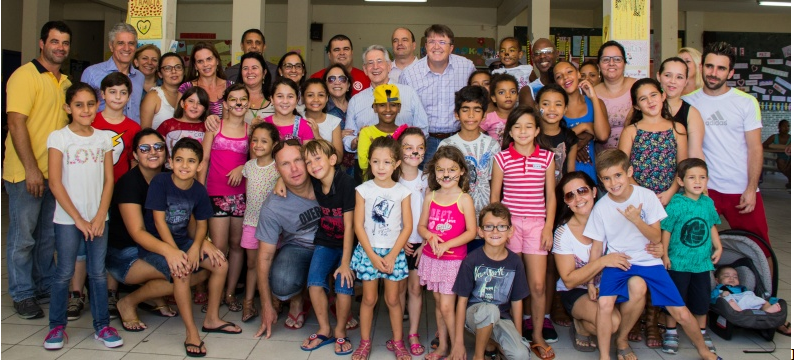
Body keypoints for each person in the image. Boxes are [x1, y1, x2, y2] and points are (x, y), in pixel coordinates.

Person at [585, 149, 719, 361]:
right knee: (604, 304)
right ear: (601, 180)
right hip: (619, 261)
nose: (613, 183)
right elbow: (596, 247)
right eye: (607, 179)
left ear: (629, 171)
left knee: (681, 312)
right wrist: (592, 280)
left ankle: (703, 350)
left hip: (649, 261)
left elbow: (656, 237)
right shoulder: (601, 207)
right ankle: (604, 356)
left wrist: (637, 220)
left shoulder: (646, 196)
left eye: (618, 175)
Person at [144, 138, 241, 357]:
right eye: (179, 160)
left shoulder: (198, 190)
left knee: (220, 264)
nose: (184, 166)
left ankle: (212, 318)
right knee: (182, 271)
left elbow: (202, 223)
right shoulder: (160, 182)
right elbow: (159, 222)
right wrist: (174, 252)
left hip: (183, 240)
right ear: (170, 161)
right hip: (158, 242)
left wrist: (197, 246)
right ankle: (191, 332)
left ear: (199, 166)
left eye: (190, 161)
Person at [44, 82, 120, 350]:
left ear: (98, 105)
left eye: (90, 104)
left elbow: (109, 181)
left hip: (99, 218)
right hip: (68, 220)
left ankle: (102, 326)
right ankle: (56, 327)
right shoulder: (59, 138)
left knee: (98, 272)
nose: (85, 110)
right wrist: (78, 219)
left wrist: (100, 216)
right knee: (64, 271)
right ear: (68, 108)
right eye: (78, 105)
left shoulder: (103, 138)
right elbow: (55, 182)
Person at [5, 21, 72, 319]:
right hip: (25, 173)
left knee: (47, 237)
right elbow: (16, 123)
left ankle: (43, 284)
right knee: (24, 237)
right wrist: (32, 170)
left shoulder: (66, 83)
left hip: (53, 174)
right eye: (55, 41)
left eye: (65, 43)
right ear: (42, 43)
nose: (60, 47)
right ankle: (22, 293)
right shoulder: (24, 76)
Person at [683, 41, 771, 263]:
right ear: (701, 66)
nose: (713, 73)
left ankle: (767, 296)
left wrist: (751, 188)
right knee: (695, 247)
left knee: (761, 249)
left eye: (721, 68)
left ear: (730, 72)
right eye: (710, 66)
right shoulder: (687, 102)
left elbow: (755, 148)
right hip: (703, 189)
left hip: (740, 189)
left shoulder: (746, 103)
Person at [109, 129, 197, 332]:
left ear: (166, 153)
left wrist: (203, 244)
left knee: (206, 265)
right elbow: (137, 232)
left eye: (158, 147)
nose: (153, 152)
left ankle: (152, 293)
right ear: (135, 155)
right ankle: (128, 302)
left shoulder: (171, 177)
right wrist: (170, 252)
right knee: (182, 271)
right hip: (125, 254)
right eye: (144, 148)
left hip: (155, 249)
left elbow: (188, 216)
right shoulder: (128, 183)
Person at [490, 106, 557, 358]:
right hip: (510, 226)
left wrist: (548, 226)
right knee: (510, 284)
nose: (523, 131)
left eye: (529, 126)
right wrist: (501, 229)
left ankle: (537, 335)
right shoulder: (501, 158)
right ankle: (515, 335)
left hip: (537, 225)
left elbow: (551, 196)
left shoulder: (547, 158)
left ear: (537, 130)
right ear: (510, 131)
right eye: (517, 127)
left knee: (537, 285)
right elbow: (495, 198)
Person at [350, 136, 412, 360]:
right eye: (375, 162)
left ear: (396, 164)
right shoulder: (363, 189)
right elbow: (358, 225)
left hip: (393, 253)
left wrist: (393, 255)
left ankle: (398, 342)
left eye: (387, 162)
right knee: (368, 299)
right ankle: (365, 343)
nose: (381, 167)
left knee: (394, 300)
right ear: (369, 162)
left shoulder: (402, 192)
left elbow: (407, 227)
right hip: (369, 252)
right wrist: (372, 256)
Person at [254, 139, 321, 338]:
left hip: (333, 244)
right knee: (282, 283)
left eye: (298, 160)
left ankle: (333, 296)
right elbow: (264, 257)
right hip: (298, 248)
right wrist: (266, 305)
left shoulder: (325, 179)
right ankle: (297, 299)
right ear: (277, 169)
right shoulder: (273, 205)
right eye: (285, 164)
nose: (294, 169)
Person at [448, 202, 531, 360]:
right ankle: (479, 356)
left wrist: (517, 337)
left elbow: (517, 302)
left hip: (501, 318)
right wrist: (458, 342)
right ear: (480, 231)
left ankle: (493, 342)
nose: (495, 231)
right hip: (474, 315)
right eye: (489, 226)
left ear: (510, 231)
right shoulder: (472, 260)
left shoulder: (515, 262)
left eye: (501, 226)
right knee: (489, 310)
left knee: (521, 355)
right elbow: (461, 301)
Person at [416, 146, 477, 360]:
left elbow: (472, 232)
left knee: (446, 305)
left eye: (451, 169)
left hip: (453, 261)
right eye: (440, 170)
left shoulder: (464, 199)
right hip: (432, 259)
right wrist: (430, 236)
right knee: (439, 305)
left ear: (461, 171)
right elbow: (421, 227)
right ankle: (442, 346)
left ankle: (457, 347)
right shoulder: (431, 195)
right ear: (434, 173)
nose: (446, 174)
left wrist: (447, 243)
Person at [553, 172, 624, 353]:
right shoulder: (563, 233)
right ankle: (581, 324)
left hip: (608, 286)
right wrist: (603, 261)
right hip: (576, 292)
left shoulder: (611, 221)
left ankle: (621, 340)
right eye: (570, 195)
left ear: (593, 192)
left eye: (582, 191)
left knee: (637, 286)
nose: (578, 198)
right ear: (566, 202)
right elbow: (569, 280)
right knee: (612, 323)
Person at [297, 140, 356, 356]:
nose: (313, 165)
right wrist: (279, 183)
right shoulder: (314, 182)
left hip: (348, 245)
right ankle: (324, 329)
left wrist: (345, 263)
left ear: (332, 160)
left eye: (318, 159)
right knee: (314, 282)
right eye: (308, 161)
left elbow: (350, 226)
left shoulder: (346, 183)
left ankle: (340, 330)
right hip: (325, 241)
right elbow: (292, 182)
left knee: (343, 284)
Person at [660, 158, 723, 355]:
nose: (698, 182)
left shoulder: (707, 203)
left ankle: (701, 332)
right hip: (678, 261)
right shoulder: (676, 204)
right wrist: (664, 254)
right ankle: (671, 331)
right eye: (692, 177)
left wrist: (718, 246)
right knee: (675, 298)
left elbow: (712, 224)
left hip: (702, 263)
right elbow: (666, 230)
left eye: (702, 177)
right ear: (680, 181)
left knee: (701, 299)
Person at [199, 83, 250, 314]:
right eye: (233, 99)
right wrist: (199, 193)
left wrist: (243, 166)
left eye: (242, 99)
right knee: (218, 247)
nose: (238, 103)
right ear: (226, 104)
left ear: (248, 103)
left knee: (237, 246)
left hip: (241, 196)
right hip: (215, 194)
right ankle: (215, 293)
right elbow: (204, 159)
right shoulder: (214, 127)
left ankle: (229, 293)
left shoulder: (251, 130)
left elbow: (260, 158)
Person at [345, 45, 429, 175]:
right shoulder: (356, 101)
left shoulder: (408, 93)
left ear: (389, 66)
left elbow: (422, 128)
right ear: (365, 69)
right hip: (367, 170)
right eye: (370, 63)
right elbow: (347, 137)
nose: (375, 67)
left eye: (380, 62)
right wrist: (357, 140)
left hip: (404, 168)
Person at [399, 24, 476, 162]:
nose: (436, 47)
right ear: (425, 46)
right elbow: (403, 111)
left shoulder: (467, 67)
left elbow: (477, 100)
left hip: (458, 137)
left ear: (451, 47)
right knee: (424, 181)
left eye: (442, 42)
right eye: (431, 42)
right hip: (423, 141)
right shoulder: (409, 74)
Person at [439, 86, 501, 234]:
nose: (471, 115)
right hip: (454, 217)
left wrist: (491, 218)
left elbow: (495, 185)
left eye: (477, 110)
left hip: (483, 217)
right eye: (465, 109)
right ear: (456, 114)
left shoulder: (492, 145)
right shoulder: (447, 145)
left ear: (484, 115)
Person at [618, 78, 688, 206]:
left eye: (653, 95)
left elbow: (682, 167)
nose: (650, 101)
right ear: (636, 106)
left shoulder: (677, 128)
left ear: (663, 96)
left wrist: (670, 193)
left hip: (671, 198)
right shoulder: (630, 131)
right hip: (638, 198)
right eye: (643, 98)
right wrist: (644, 195)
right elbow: (622, 168)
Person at [239, 122, 281, 322]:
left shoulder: (278, 168)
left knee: (270, 263)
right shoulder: (248, 166)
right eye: (254, 140)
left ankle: (273, 300)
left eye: (264, 141)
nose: (258, 144)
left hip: (272, 226)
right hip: (251, 222)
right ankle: (248, 303)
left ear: (274, 144)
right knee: (252, 264)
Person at [396, 126, 429, 357]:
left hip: (420, 244)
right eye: (409, 148)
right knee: (397, 291)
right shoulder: (391, 178)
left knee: (415, 289)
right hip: (397, 243)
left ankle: (413, 333)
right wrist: (400, 238)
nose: (414, 153)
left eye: (420, 148)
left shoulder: (428, 180)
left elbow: (434, 215)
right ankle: (397, 335)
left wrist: (425, 243)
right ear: (399, 150)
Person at [553, 61, 610, 183]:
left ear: (579, 74)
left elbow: (603, 135)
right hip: (564, 172)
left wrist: (593, 97)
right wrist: (585, 127)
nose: (565, 77)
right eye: (559, 76)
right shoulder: (555, 109)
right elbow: (555, 139)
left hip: (590, 169)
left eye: (569, 72)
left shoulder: (596, 103)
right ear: (556, 83)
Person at [81, 23, 144, 124]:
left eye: (131, 43)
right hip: (101, 135)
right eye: (120, 43)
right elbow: (82, 110)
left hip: (133, 136)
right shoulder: (91, 73)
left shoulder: (140, 77)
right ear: (111, 46)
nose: (126, 48)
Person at [93, 72, 142, 182]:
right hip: (92, 183)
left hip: (120, 185)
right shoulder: (91, 122)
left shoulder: (134, 128)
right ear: (103, 94)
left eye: (123, 92)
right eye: (112, 92)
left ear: (129, 96)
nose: (118, 97)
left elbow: (134, 161)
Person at [657, 57, 706, 160]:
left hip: (679, 173)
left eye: (679, 77)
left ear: (686, 81)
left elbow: (695, 153)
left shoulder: (692, 113)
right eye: (667, 75)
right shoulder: (645, 106)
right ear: (658, 76)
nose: (673, 81)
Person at [594, 41, 637, 151]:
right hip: (603, 160)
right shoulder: (592, 93)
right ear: (599, 65)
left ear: (624, 63)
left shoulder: (638, 87)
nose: (611, 63)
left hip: (636, 155)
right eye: (606, 59)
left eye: (617, 59)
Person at [356, 84, 402, 177]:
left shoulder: (404, 133)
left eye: (393, 105)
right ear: (375, 108)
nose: (388, 109)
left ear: (399, 108)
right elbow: (364, 164)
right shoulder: (366, 133)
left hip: (400, 185)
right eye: (382, 105)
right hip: (372, 185)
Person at [536, 84, 579, 183]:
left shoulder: (569, 138)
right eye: (546, 104)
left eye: (558, 104)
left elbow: (570, 174)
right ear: (537, 106)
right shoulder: (530, 135)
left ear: (565, 109)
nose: (552, 109)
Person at [179, 42, 232, 118]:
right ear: (195, 66)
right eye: (200, 61)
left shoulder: (231, 87)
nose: (205, 64)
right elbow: (179, 119)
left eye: (209, 59)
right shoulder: (186, 88)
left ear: (217, 61)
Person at [157, 87, 210, 156]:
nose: (195, 106)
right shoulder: (167, 125)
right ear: (182, 103)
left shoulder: (208, 128)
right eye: (191, 101)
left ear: (204, 109)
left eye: (200, 103)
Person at [265, 78, 317, 143]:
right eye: (280, 96)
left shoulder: (305, 126)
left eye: (290, 96)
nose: (285, 101)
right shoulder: (264, 123)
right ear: (272, 99)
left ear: (297, 100)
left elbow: (307, 153)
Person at [141, 53, 184, 130]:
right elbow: (144, 132)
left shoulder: (189, 94)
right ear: (160, 74)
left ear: (183, 71)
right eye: (167, 68)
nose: (173, 71)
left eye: (178, 67)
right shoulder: (153, 96)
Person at [301, 79, 343, 159]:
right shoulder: (297, 119)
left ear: (327, 98)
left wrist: (318, 136)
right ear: (303, 98)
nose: (316, 99)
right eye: (310, 95)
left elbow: (338, 158)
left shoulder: (334, 121)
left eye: (321, 95)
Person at [712, 267, 783, 313]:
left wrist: (772, 300)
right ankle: (737, 311)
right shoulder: (719, 288)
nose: (732, 278)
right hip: (732, 303)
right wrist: (721, 294)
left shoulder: (742, 288)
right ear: (717, 280)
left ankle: (767, 310)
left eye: (735, 277)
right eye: (727, 276)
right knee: (726, 299)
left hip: (746, 302)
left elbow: (751, 297)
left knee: (753, 296)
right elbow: (710, 299)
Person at [491, 37, 535, 106]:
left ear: (520, 54)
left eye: (511, 50)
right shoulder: (496, 73)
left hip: (523, 108)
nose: (506, 53)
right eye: (502, 51)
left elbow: (537, 87)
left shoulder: (527, 70)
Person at [481, 73, 519, 144]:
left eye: (512, 92)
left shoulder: (521, 116)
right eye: (501, 92)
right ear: (494, 98)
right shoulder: (489, 118)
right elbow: (475, 135)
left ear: (517, 96)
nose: (508, 95)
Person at [238, 52, 274, 125]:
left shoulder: (275, 99)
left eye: (254, 68)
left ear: (264, 73)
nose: (250, 72)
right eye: (245, 68)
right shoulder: (233, 99)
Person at [762, 119, 791, 188]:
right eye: (784, 126)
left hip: (790, 158)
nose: (786, 128)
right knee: (780, 161)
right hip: (781, 158)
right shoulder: (774, 137)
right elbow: (764, 145)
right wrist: (774, 149)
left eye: (788, 126)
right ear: (779, 127)